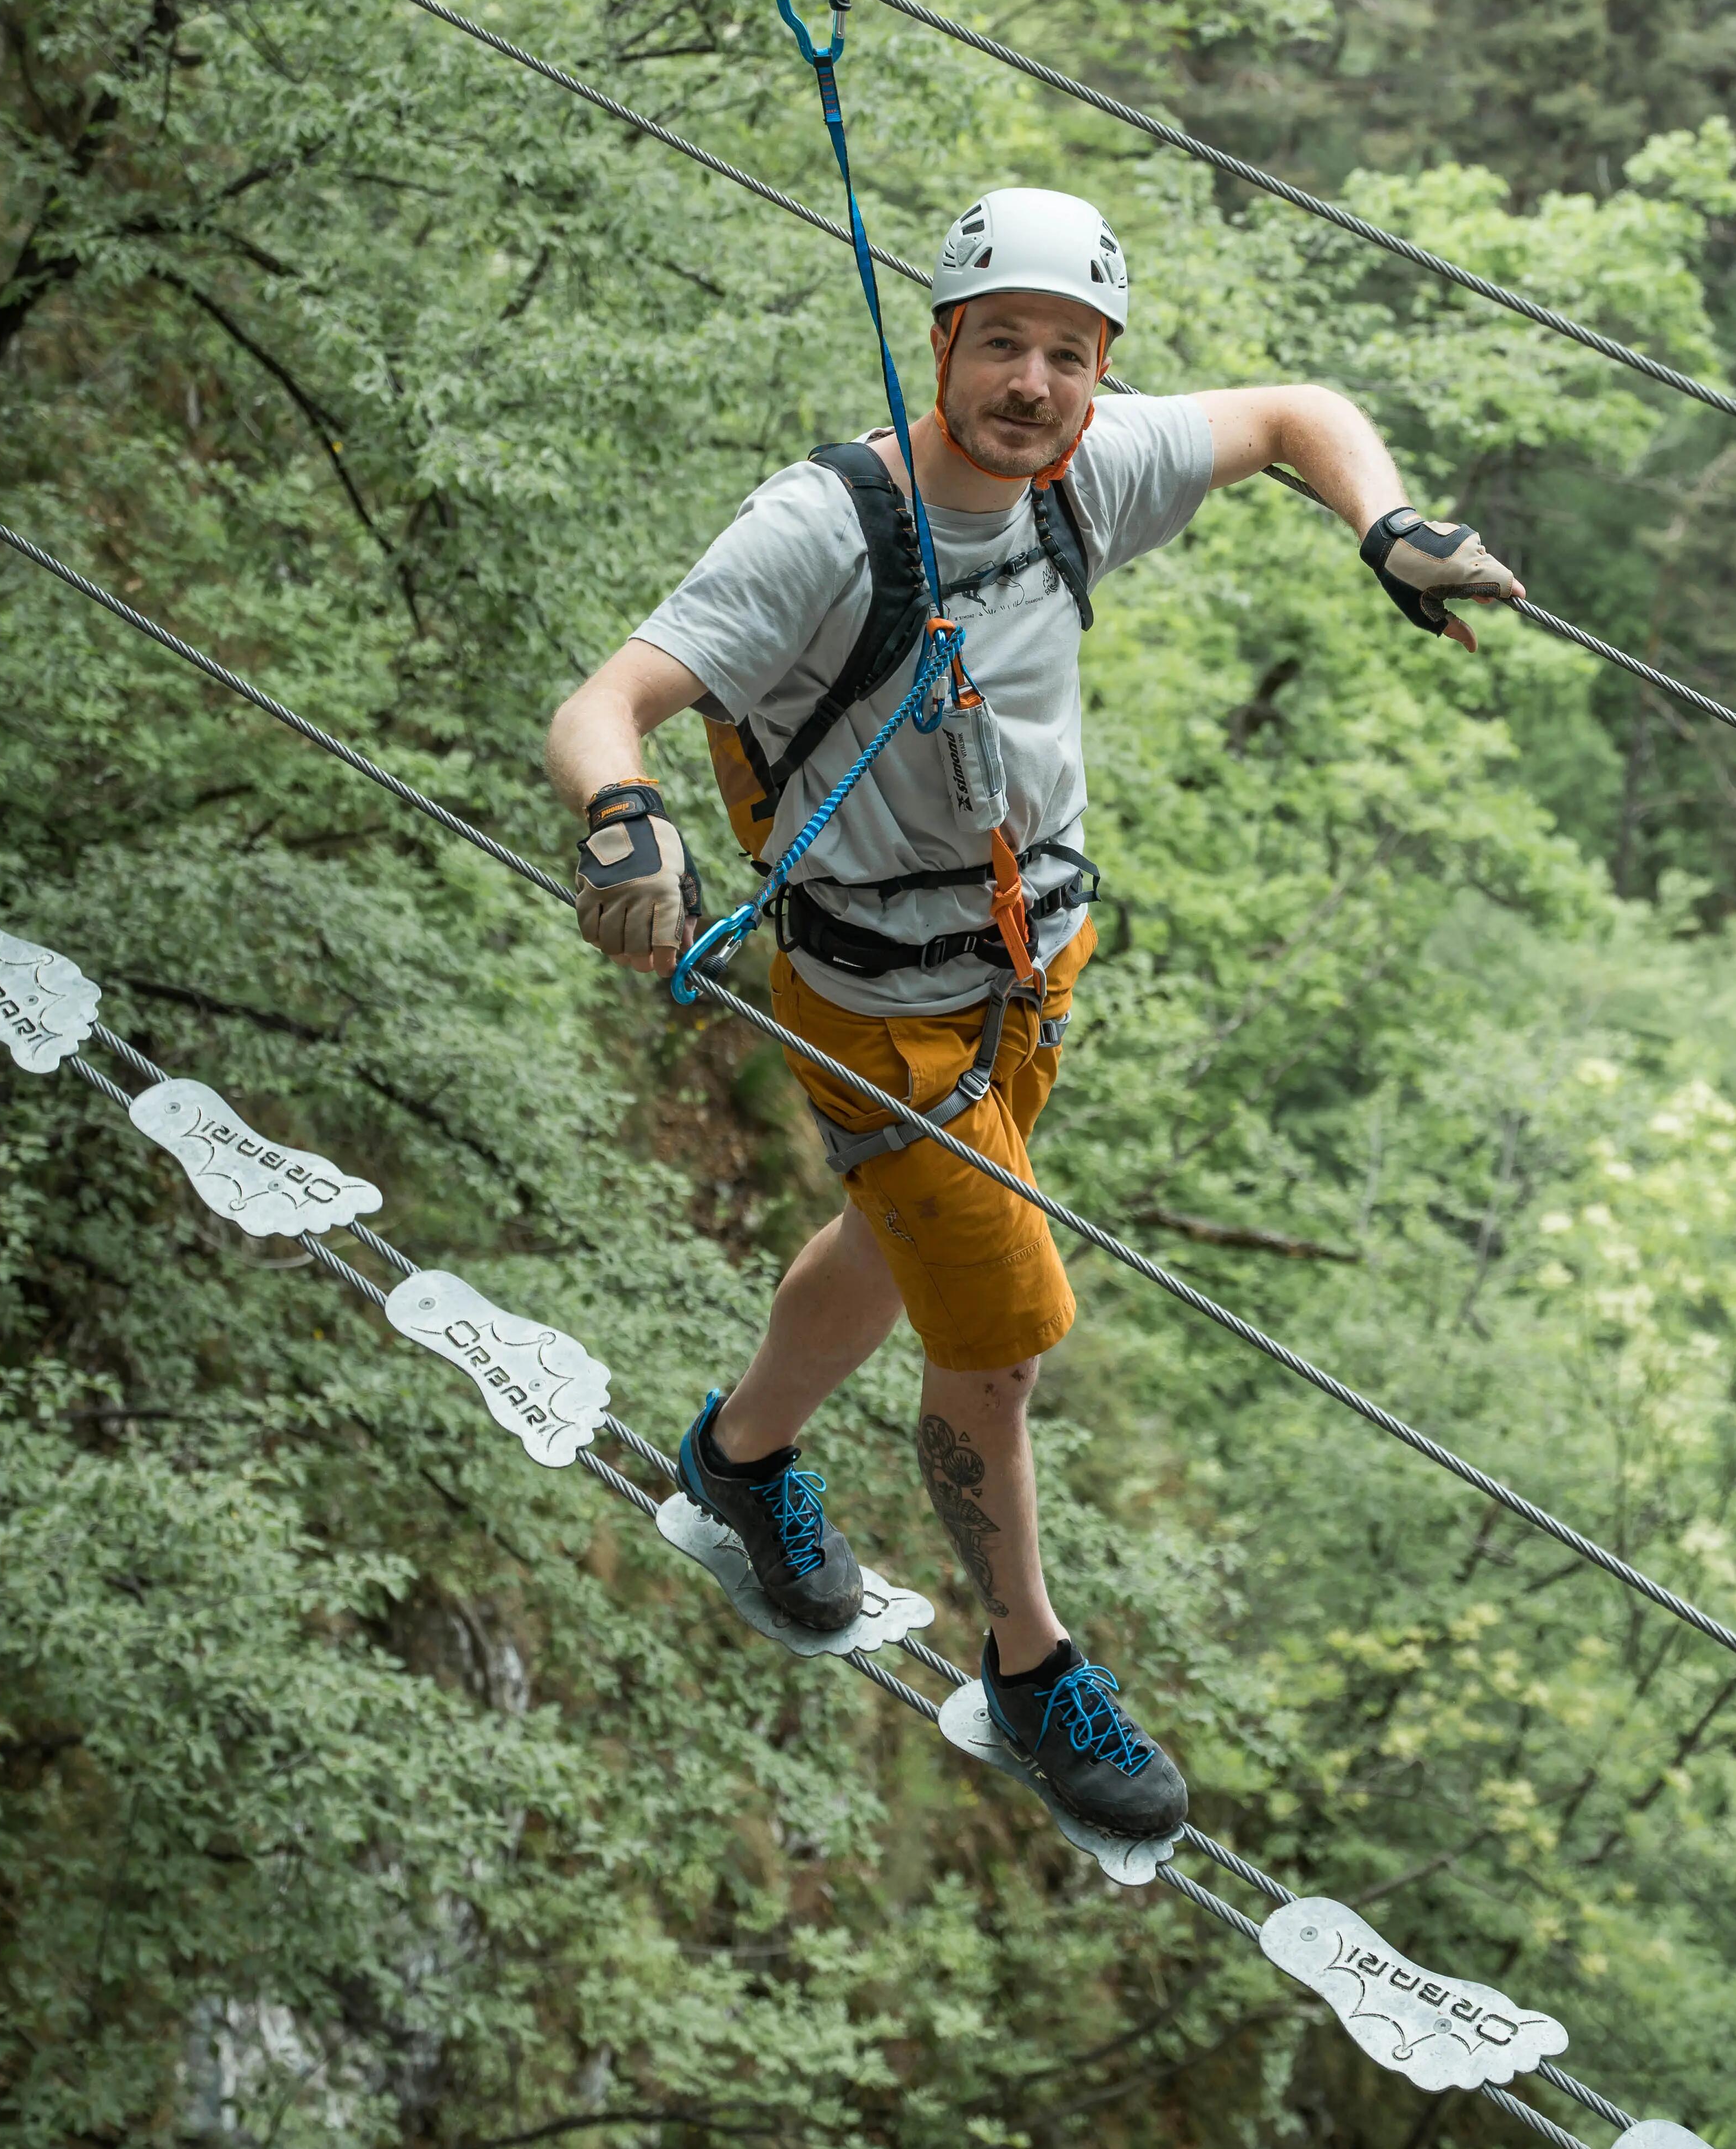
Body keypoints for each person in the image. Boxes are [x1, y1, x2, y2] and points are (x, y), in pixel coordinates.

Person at [546, 187, 1522, 1840]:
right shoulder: (823, 528)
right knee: (995, 1347)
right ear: (939, 344)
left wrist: (1386, 523)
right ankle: (1030, 1658)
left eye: (1069, 354)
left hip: (1025, 978)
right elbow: (606, 701)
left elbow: (1296, 416)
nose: (1034, 383)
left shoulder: (1082, 474)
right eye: (1000, 342)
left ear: (1099, 372)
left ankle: (740, 1454)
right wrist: (623, 821)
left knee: (898, 1240)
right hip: (879, 1006)